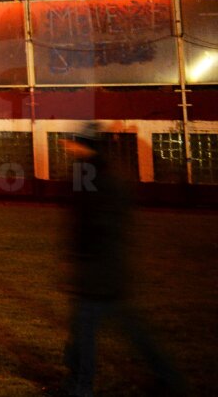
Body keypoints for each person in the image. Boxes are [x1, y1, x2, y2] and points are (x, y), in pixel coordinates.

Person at [61, 123, 185, 396]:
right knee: (131, 331)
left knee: (84, 334)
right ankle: (168, 378)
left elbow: (93, 224)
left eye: (72, 142)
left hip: (97, 272)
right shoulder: (107, 174)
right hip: (111, 269)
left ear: (85, 144)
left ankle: (80, 388)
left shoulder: (92, 177)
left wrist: (82, 256)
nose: (67, 146)